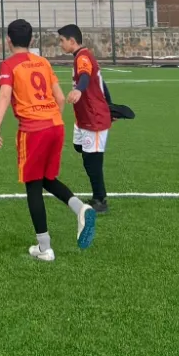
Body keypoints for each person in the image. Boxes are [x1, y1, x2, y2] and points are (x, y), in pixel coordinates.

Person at [0, 20, 95, 262]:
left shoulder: (8, 64)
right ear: (32, 40)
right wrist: (52, 119)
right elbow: (60, 97)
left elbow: (5, 95)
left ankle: (45, 248)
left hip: (33, 130)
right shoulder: (43, 62)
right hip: (55, 125)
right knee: (46, 178)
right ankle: (80, 208)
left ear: (8, 40)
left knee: (33, 185)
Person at [57, 24, 112, 214]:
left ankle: (100, 199)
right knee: (80, 148)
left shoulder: (82, 57)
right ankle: (98, 191)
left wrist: (79, 90)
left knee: (91, 160)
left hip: (93, 118)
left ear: (72, 41)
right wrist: (110, 105)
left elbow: (86, 77)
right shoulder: (82, 56)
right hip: (84, 118)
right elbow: (101, 83)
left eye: (62, 41)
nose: (60, 44)